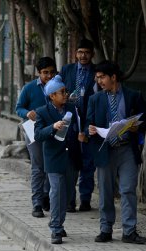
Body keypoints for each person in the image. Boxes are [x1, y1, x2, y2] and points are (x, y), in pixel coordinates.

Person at [86, 61, 146, 244]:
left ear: (113, 77)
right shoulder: (95, 99)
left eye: (102, 77)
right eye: (97, 78)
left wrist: (135, 126)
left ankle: (129, 231)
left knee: (128, 190)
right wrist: (89, 129)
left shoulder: (133, 96)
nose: (99, 81)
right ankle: (105, 229)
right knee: (105, 191)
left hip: (126, 150)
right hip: (105, 150)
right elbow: (88, 121)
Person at [34, 75, 82, 244]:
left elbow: (78, 127)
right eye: (62, 92)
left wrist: (81, 135)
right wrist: (52, 127)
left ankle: (58, 223)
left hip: (71, 158)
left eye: (65, 91)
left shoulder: (72, 108)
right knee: (57, 193)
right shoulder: (42, 112)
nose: (65, 94)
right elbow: (38, 135)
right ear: (52, 96)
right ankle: (56, 228)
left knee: (67, 194)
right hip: (54, 159)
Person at [15, 57, 57, 218]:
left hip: (53, 129)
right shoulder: (29, 88)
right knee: (38, 166)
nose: (49, 76)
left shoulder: (59, 87)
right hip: (33, 130)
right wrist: (27, 113)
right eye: (45, 73)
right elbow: (18, 108)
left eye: (52, 72)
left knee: (51, 165)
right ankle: (37, 203)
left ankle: (47, 196)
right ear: (38, 73)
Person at [59, 38, 97, 212]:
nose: (83, 55)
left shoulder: (97, 72)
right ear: (75, 53)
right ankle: (70, 201)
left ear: (92, 54)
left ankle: (86, 199)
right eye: (80, 52)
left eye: (87, 52)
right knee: (71, 162)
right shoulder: (67, 70)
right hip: (70, 121)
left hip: (90, 121)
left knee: (88, 163)